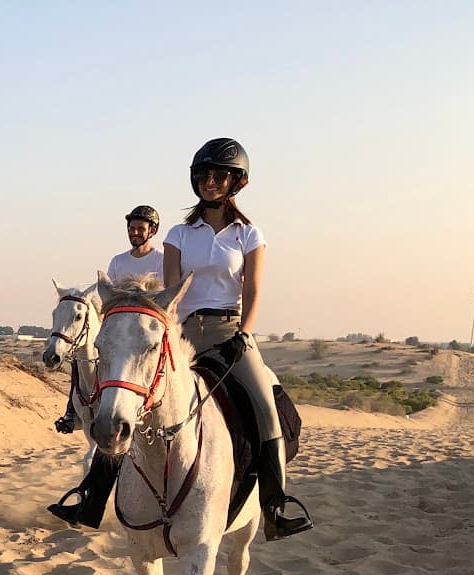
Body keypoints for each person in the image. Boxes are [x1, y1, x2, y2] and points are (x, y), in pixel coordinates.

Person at [50, 139, 312, 538]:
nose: (211, 182)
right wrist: (167, 333)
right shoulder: (178, 233)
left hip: (230, 334)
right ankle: (92, 496)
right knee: (128, 401)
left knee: (265, 409)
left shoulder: (248, 234)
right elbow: (169, 291)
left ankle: (275, 505)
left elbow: (254, 290)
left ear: (236, 181)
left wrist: (244, 334)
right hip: (182, 334)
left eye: (219, 175)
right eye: (204, 175)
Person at [107, 205, 164, 285]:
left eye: (141, 229)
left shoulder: (162, 260)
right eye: (132, 228)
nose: (135, 233)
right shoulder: (117, 261)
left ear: (153, 231)